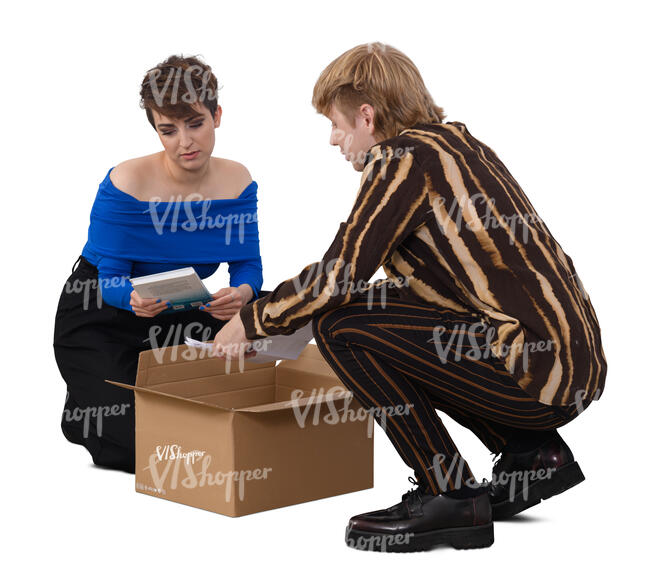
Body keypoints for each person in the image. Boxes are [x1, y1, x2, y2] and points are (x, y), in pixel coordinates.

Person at [211, 42, 607, 552]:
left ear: (367, 117)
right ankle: (532, 457)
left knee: (341, 329)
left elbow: (340, 276)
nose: (333, 140)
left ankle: (450, 494)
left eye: (336, 124)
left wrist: (254, 320)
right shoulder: (456, 146)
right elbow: (421, 291)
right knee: (375, 323)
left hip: (536, 371)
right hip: (569, 363)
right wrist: (281, 313)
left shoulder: (401, 159)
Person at [53, 54, 265, 473]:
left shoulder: (238, 181)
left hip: (180, 308)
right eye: (168, 130)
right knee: (156, 447)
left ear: (217, 115)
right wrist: (131, 296)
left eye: (195, 123)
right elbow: (111, 279)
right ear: (156, 130)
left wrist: (242, 293)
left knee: (277, 311)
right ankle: (87, 410)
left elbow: (248, 266)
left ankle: (112, 392)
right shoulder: (127, 182)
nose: (185, 141)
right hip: (103, 312)